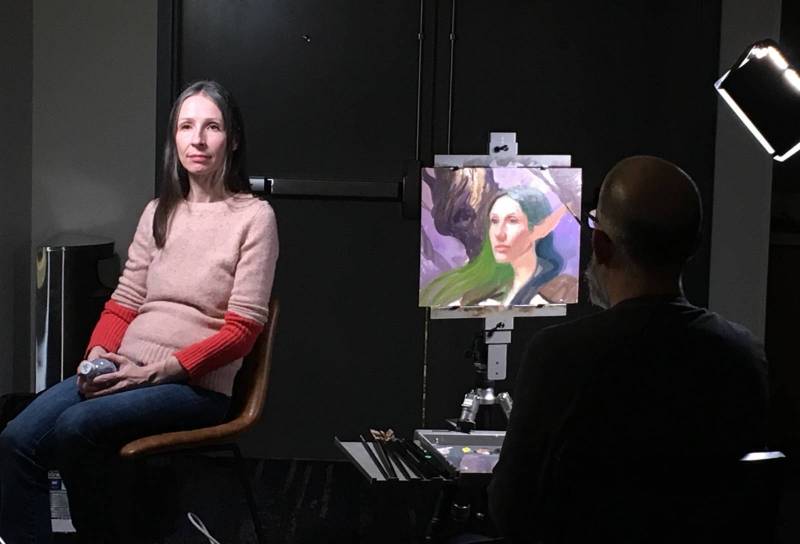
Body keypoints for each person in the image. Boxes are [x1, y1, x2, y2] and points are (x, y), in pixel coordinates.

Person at [0, 80, 278, 543]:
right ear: (174, 138)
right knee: (16, 439)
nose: (198, 139)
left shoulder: (254, 218)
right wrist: (97, 357)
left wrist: (160, 371)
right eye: (186, 126)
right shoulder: (158, 212)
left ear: (232, 140)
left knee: (77, 428)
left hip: (193, 385)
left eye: (212, 127)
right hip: (123, 369)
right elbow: (125, 299)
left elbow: (243, 330)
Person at [488, 156, 768, 542]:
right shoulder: (744, 354)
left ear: (601, 245)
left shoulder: (558, 355)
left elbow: (510, 510)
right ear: (693, 247)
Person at [420, 184, 577, 307]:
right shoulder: (469, 286)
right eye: (494, 221)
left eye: (512, 221)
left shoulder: (562, 289)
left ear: (539, 229)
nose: (499, 233)